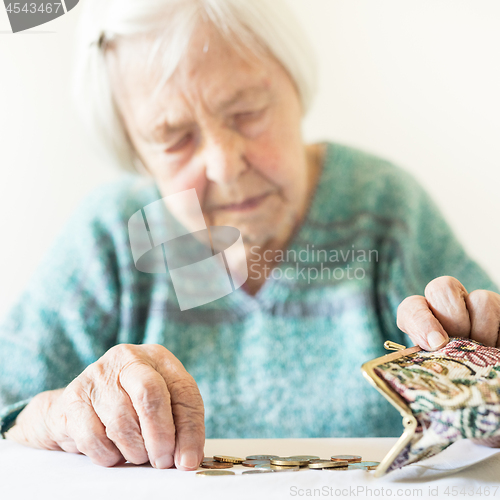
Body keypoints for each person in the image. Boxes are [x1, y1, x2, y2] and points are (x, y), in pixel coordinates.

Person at [1, 0, 499, 472]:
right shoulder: (110, 234)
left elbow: (486, 350)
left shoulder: (386, 205)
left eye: (247, 113)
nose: (225, 164)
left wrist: (485, 376)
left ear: (295, 87)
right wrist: (53, 416)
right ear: (137, 154)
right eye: (174, 138)